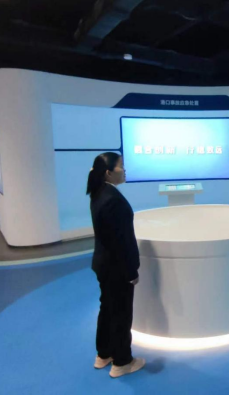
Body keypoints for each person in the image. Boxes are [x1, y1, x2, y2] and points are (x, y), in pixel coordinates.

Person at [87, 152, 146, 378]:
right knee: (121, 313)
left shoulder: (98, 192)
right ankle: (122, 362)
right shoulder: (113, 200)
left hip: (103, 265)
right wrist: (131, 271)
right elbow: (122, 242)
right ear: (108, 173)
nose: (125, 170)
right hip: (117, 269)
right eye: (121, 166)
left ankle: (104, 354)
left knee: (107, 309)